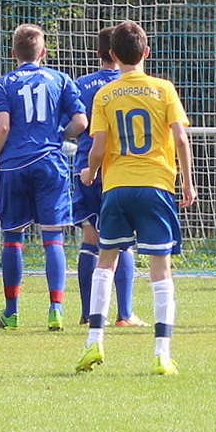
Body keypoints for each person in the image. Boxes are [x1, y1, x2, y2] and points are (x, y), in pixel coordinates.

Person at [75, 20, 197, 376]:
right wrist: (187, 183)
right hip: (156, 186)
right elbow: (181, 139)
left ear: (113, 55)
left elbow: (97, 147)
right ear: (146, 52)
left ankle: (93, 341)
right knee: (160, 268)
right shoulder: (163, 89)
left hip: (116, 188)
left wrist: (91, 173)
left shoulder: (105, 95)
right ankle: (162, 353)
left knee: (105, 261)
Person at [0, 23, 87, 331]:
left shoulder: (3, 84)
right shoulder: (60, 79)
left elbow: (2, 127)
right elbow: (81, 121)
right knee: (52, 236)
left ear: (13, 53)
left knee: (13, 237)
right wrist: (58, 135)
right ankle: (56, 308)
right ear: (43, 52)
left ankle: (12, 312)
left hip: (13, 166)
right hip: (49, 163)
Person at [72, 27, 146, 328]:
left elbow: (75, 123)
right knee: (123, 242)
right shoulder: (131, 85)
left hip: (86, 167)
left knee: (90, 240)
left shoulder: (81, 84)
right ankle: (125, 313)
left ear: (101, 52)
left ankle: (88, 312)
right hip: (119, 169)